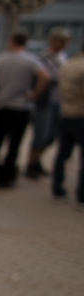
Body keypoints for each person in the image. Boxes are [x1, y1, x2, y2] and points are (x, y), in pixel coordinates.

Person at [0, 32, 50, 187]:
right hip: (21, 107)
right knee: (14, 145)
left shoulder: (0, 59)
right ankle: (5, 179)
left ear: (11, 41)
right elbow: (45, 77)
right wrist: (33, 95)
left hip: (2, 106)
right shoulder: (30, 60)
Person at [26, 27, 71, 179]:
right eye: (62, 41)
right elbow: (40, 79)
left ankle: (36, 161)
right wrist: (36, 94)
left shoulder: (64, 57)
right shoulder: (43, 58)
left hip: (59, 102)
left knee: (51, 136)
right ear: (52, 41)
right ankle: (31, 164)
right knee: (41, 134)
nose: (65, 44)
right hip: (45, 102)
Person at [51, 44, 84, 205]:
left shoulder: (69, 64)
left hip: (65, 113)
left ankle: (57, 187)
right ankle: (82, 195)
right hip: (81, 114)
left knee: (62, 154)